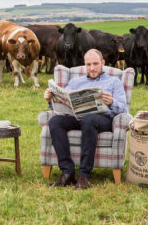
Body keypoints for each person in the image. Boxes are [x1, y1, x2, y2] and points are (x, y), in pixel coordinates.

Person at [43, 49, 127, 189]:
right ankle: (67, 173)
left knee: (90, 119)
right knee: (55, 122)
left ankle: (84, 176)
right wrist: (51, 100)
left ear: (103, 63)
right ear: (84, 65)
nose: (92, 68)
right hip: (77, 117)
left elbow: (124, 110)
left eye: (95, 64)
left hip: (102, 120)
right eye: (88, 64)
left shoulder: (114, 82)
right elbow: (64, 104)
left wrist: (112, 102)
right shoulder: (75, 82)